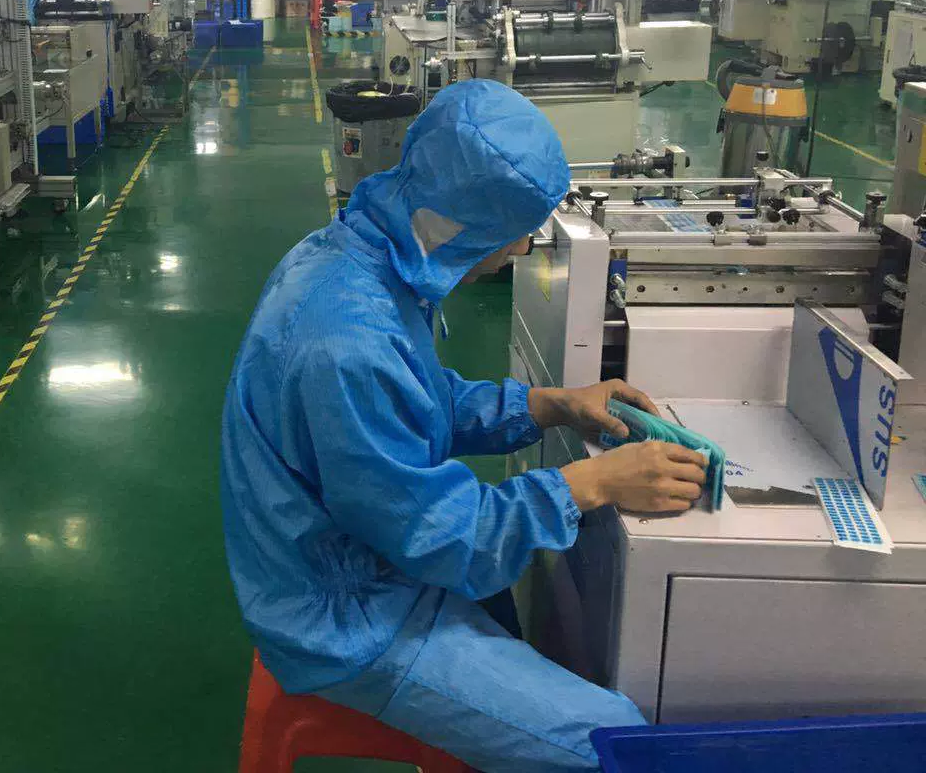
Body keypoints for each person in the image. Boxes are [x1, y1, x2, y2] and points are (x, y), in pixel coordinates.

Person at [220, 79, 708, 773]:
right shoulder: (348, 341)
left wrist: (550, 404)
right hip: (351, 615)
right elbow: (444, 541)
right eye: (516, 231)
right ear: (465, 225)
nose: (523, 248)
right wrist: (592, 483)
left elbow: (417, 403)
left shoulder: (360, 260)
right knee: (614, 745)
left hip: (368, 553)